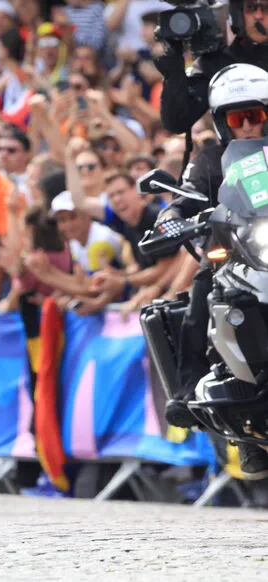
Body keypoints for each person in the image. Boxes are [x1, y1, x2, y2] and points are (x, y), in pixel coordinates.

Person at [156, 63, 268, 479]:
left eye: (255, 115)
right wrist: (171, 218)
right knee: (204, 286)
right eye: (237, 119)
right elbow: (183, 199)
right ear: (222, 123)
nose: (247, 127)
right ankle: (187, 388)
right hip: (236, 251)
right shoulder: (209, 159)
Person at [156, 0, 268, 134]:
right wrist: (174, 59)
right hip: (239, 152)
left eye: (266, 8)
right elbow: (177, 122)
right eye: (251, 8)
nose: (258, 16)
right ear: (237, 13)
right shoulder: (220, 64)